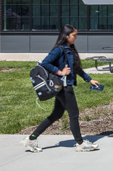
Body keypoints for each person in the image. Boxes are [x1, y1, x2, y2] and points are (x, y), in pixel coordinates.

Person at [21, 25, 101, 153]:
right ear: (66, 36)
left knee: (56, 115)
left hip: (64, 86)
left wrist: (89, 79)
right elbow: (44, 63)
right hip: (63, 86)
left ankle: (30, 139)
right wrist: (59, 72)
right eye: (74, 35)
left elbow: (76, 69)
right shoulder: (59, 50)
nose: (76, 37)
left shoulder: (70, 49)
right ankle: (80, 143)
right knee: (74, 114)